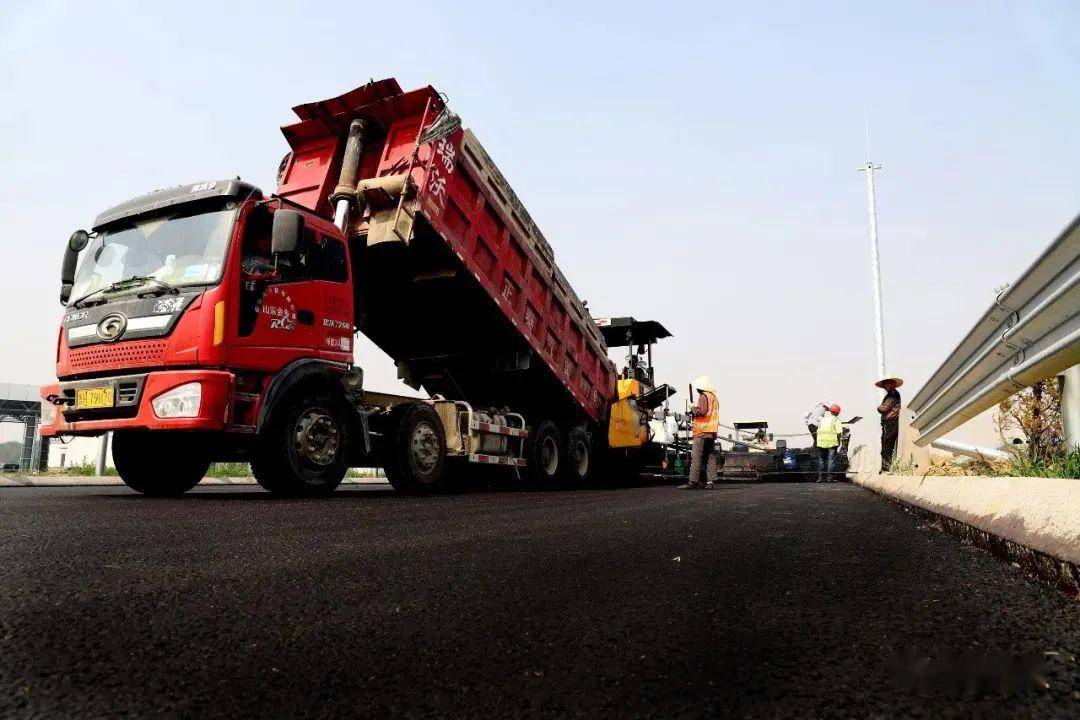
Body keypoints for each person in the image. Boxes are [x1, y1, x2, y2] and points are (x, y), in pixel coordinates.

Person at [678, 376, 720, 490]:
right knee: (710, 456)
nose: (696, 390)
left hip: (701, 431)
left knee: (696, 456)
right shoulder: (713, 397)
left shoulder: (703, 396)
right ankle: (710, 482)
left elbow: (702, 412)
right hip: (711, 431)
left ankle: (693, 481)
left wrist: (693, 409)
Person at [876, 376, 903, 472]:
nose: (886, 385)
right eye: (885, 384)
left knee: (887, 446)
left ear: (893, 384)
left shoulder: (892, 395)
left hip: (891, 423)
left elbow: (884, 408)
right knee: (886, 445)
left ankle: (886, 468)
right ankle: (885, 467)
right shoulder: (890, 395)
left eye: (888, 383)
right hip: (888, 423)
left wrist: (879, 407)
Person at [815, 404, 843, 482]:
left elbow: (818, 430)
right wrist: (838, 442)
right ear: (838, 413)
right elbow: (839, 432)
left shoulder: (824, 419)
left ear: (830, 411)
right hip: (832, 443)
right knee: (831, 461)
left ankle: (820, 478)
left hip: (821, 443)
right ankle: (830, 478)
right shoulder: (836, 420)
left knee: (822, 460)